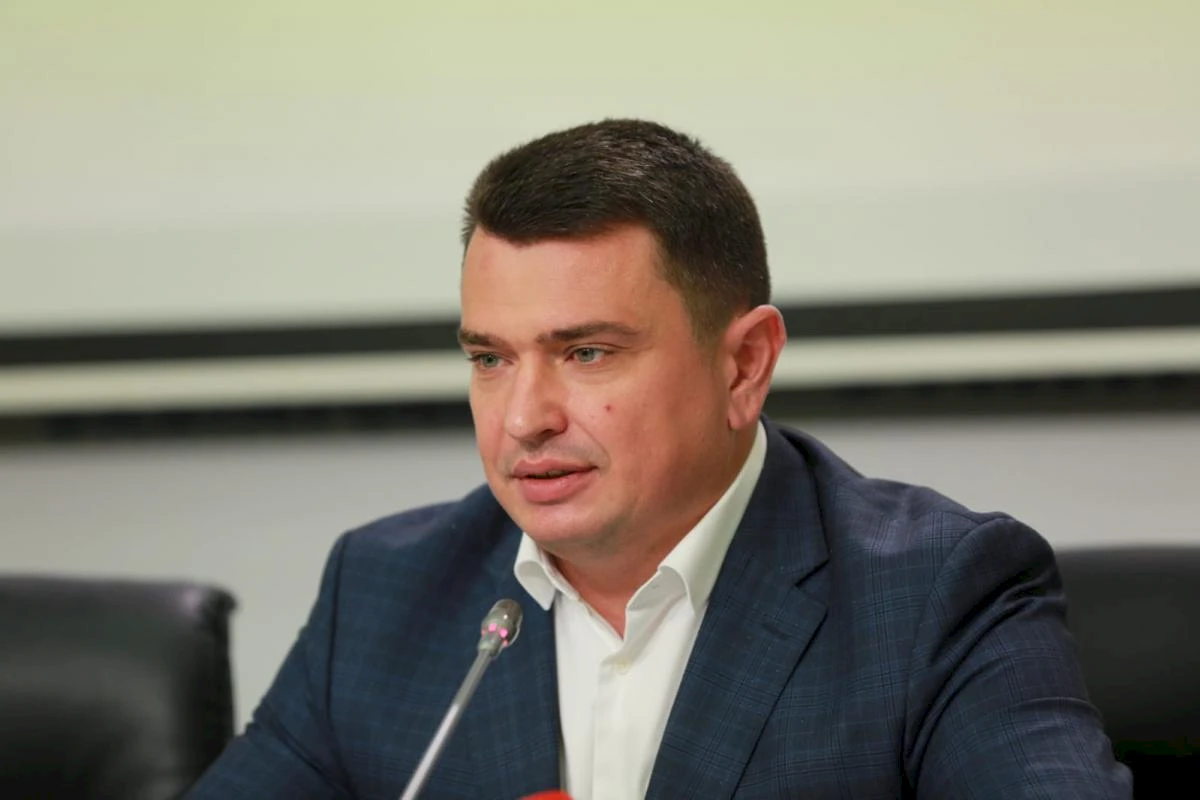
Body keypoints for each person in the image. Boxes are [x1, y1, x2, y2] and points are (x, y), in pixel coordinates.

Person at [187, 119, 1131, 799]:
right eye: (490, 360)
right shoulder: (386, 591)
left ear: (744, 364)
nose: (524, 419)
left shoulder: (934, 593)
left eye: (587, 353)